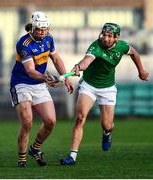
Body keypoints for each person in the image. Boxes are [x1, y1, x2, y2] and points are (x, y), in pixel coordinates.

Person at [60, 22, 149, 165]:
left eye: (109, 36)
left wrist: (141, 71)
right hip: (89, 86)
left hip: (107, 89)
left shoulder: (122, 46)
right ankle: (72, 156)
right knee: (80, 117)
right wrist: (78, 67)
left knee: (107, 125)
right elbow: (86, 61)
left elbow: (134, 53)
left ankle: (107, 134)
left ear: (116, 38)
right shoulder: (95, 46)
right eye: (104, 34)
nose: (105, 38)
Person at [10, 11, 74, 168]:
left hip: (38, 84)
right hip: (21, 83)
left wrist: (65, 77)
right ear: (32, 28)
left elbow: (56, 58)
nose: (42, 32)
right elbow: (30, 70)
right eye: (39, 29)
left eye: (45, 29)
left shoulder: (49, 39)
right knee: (27, 122)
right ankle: (22, 159)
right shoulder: (24, 44)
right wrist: (47, 78)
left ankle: (35, 149)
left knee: (51, 121)